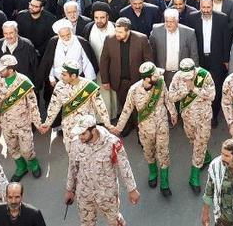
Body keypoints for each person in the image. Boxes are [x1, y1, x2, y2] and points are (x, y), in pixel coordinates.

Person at [113, 62, 177, 197]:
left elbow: (167, 98)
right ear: (147, 78)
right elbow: (126, 110)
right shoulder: (134, 90)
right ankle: (153, 172)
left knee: (163, 152)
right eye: (154, 76)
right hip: (145, 128)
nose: (158, 77)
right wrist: (118, 128)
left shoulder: (160, 83)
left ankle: (165, 183)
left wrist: (173, 113)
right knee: (148, 151)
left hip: (162, 125)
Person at [66, 114, 140, 226]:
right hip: (84, 193)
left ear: (94, 131)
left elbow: (124, 166)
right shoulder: (76, 143)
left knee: (115, 222)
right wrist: (70, 190)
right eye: (79, 134)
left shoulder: (112, 143)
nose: (80, 137)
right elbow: (72, 168)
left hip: (106, 194)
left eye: (83, 134)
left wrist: (132, 189)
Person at [40, 60, 112, 153]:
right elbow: (54, 106)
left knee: (89, 154)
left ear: (73, 76)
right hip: (69, 129)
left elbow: (101, 107)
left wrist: (108, 124)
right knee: (72, 153)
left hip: (86, 129)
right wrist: (47, 124)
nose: (61, 77)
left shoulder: (89, 86)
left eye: (64, 74)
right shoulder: (59, 86)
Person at [0, 55, 42, 182]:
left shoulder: (24, 82)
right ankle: (21, 167)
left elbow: (33, 105)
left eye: (2, 69)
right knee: (12, 147)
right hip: (6, 123)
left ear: (11, 69)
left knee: (26, 148)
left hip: (23, 123)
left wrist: (38, 123)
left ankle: (34, 164)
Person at [168, 58, 215, 193]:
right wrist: (183, 92)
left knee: (200, 143)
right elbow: (171, 96)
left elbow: (212, 95)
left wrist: (194, 89)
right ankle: (205, 157)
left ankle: (194, 177)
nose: (187, 78)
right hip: (188, 118)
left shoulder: (204, 75)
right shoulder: (177, 77)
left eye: (190, 76)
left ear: (194, 70)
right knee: (193, 141)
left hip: (204, 117)